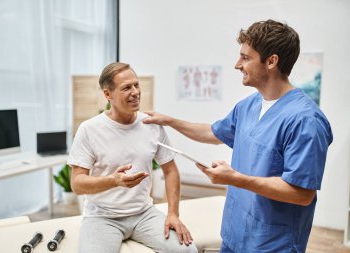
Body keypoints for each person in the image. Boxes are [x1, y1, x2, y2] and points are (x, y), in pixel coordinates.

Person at [143, 19, 333, 253]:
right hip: (235, 234)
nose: (237, 64)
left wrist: (235, 178)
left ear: (272, 61)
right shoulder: (248, 105)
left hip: (273, 244)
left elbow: (302, 194)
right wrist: (170, 121)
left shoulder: (306, 121)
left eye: (245, 57)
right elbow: (212, 132)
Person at [67, 62, 198, 253]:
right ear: (107, 94)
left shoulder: (152, 125)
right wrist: (113, 181)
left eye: (136, 85)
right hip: (102, 217)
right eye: (126, 88)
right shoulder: (89, 129)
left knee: (187, 251)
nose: (135, 92)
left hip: (144, 214)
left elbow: (170, 171)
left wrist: (172, 214)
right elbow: (77, 184)